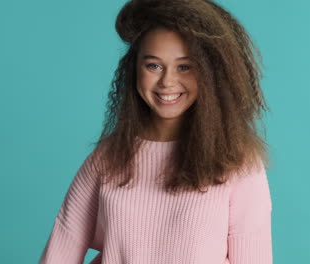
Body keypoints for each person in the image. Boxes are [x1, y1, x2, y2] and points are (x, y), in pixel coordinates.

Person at [39, 0, 273, 263]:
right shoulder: (108, 157)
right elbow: (62, 246)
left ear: (208, 73)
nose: (167, 82)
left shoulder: (238, 162)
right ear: (134, 69)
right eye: (154, 66)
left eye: (185, 66)